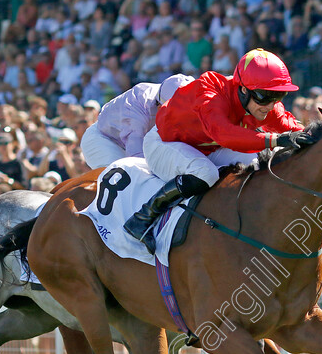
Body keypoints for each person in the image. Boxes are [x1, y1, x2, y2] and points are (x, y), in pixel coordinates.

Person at [126, 49, 312, 252]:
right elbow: (224, 134)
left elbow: (292, 128)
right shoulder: (210, 90)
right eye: (265, 96)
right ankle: (143, 217)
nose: (270, 104)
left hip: (205, 148)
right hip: (164, 143)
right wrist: (276, 139)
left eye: (278, 96)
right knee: (205, 173)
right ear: (243, 90)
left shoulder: (264, 104)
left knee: (257, 164)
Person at [81, 74, 194, 169]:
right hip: (102, 140)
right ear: (160, 105)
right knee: (127, 177)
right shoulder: (135, 111)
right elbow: (136, 159)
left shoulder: (167, 91)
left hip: (128, 138)